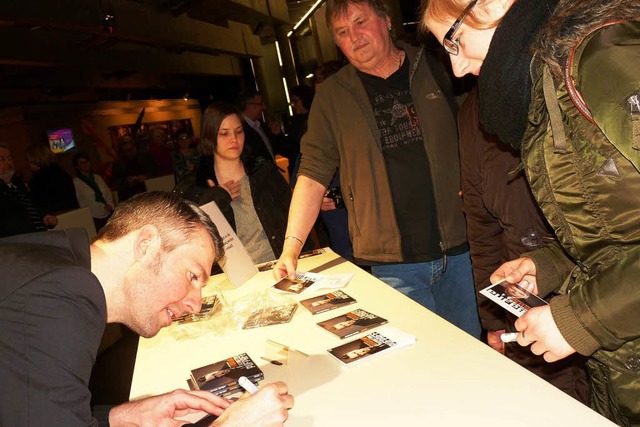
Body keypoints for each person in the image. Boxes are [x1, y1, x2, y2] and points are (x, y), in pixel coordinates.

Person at [422, 0, 639, 423]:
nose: (458, 70)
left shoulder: (605, 60)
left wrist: (579, 318)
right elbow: (615, 237)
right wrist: (549, 266)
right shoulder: (547, 87)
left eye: (455, 41)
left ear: (492, 5)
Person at [274, 0, 481, 338]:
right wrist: (291, 247)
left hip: (460, 247)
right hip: (394, 263)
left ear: (386, 21)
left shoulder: (435, 65)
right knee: (420, 363)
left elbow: (477, 131)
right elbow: (312, 174)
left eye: (360, 22)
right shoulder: (333, 97)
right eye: (342, 32)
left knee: (472, 352)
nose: (354, 37)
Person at [0, 191, 294, 426]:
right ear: (145, 244)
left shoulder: (56, 266)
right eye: (192, 276)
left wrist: (120, 417)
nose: (195, 303)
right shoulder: (59, 296)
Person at [458, 87, 588, 402]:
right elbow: (481, 229)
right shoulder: (472, 110)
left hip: (595, 296)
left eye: (459, 41)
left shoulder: (571, 83)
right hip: (525, 293)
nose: (456, 67)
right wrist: (492, 321)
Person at [196, 102, 291, 264]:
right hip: (235, 279)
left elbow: (293, 216)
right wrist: (218, 198)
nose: (234, 139)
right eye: (224, 134)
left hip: (279, 265)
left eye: (238, 132)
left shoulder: (263, 172)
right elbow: (199, 245)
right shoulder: (199, 188)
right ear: (210, 137)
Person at [0, 143, 57, 237]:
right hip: (19, 245)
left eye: (10, 158)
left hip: (41, 239)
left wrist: (44, 215)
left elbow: (34, 207)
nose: (9, 163)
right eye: (1, 159)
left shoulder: (19, 186)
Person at [25, 143, 79, 214]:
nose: (27, 163)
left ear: (35, 159)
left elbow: (39, 204)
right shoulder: (61, 172)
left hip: (55, 217)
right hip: (73, 213)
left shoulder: (40, 179)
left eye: (28, 160)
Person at [72, 151, 115, 231]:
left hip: (107, 212)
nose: (85, 164)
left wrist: (110, 204)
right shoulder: (76, 182)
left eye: (87, 161)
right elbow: (78, 201)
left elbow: (107, 192)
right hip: (93, 216)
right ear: (77, 166)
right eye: (82, 163)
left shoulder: (97, 177)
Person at [110, 134, 159, 201]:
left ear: (135, 146)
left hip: (148, 193)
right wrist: (127, 182)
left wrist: (147, 177)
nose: (130, 152)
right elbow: (114, 184)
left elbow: (158, 172)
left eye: (131, 149)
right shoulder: (118, 164)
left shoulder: (146, 157)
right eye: (127, 151)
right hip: (129, 197)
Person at [237, 89, 278, 162]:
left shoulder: (261, 125)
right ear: (249, 105)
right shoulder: (239, 129)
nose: (264, 108)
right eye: (261, 104)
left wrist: (277, 135)